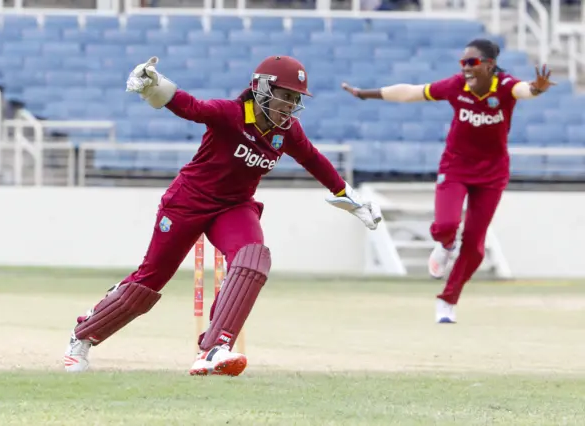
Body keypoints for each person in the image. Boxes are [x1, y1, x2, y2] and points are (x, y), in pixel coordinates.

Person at [63, 55, 383, 376]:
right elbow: (191, 107)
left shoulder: (286, 131)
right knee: (150, 281)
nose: (290, 105)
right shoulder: (231, 113)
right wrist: (154, 86)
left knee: (253, 259)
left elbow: (313, 159)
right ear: (261, 89)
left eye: (296, 98)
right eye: (285, 95)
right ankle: (81, 338)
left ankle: (215, 349)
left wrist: (346, 194)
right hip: (188, 202)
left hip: (234, 207)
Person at [341, 39, 554, 324]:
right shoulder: (456, 86)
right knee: (445, 226)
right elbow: (411, 93)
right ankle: (445, 245)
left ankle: (447, 301)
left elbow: (524, 90)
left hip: (492, 175)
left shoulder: (504, 86)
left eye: (472, 62)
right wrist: (366, 93)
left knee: (475, 245)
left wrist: (537, 88)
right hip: (456, 168)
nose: (465, 67)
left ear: (489, 65)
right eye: (463, 62)